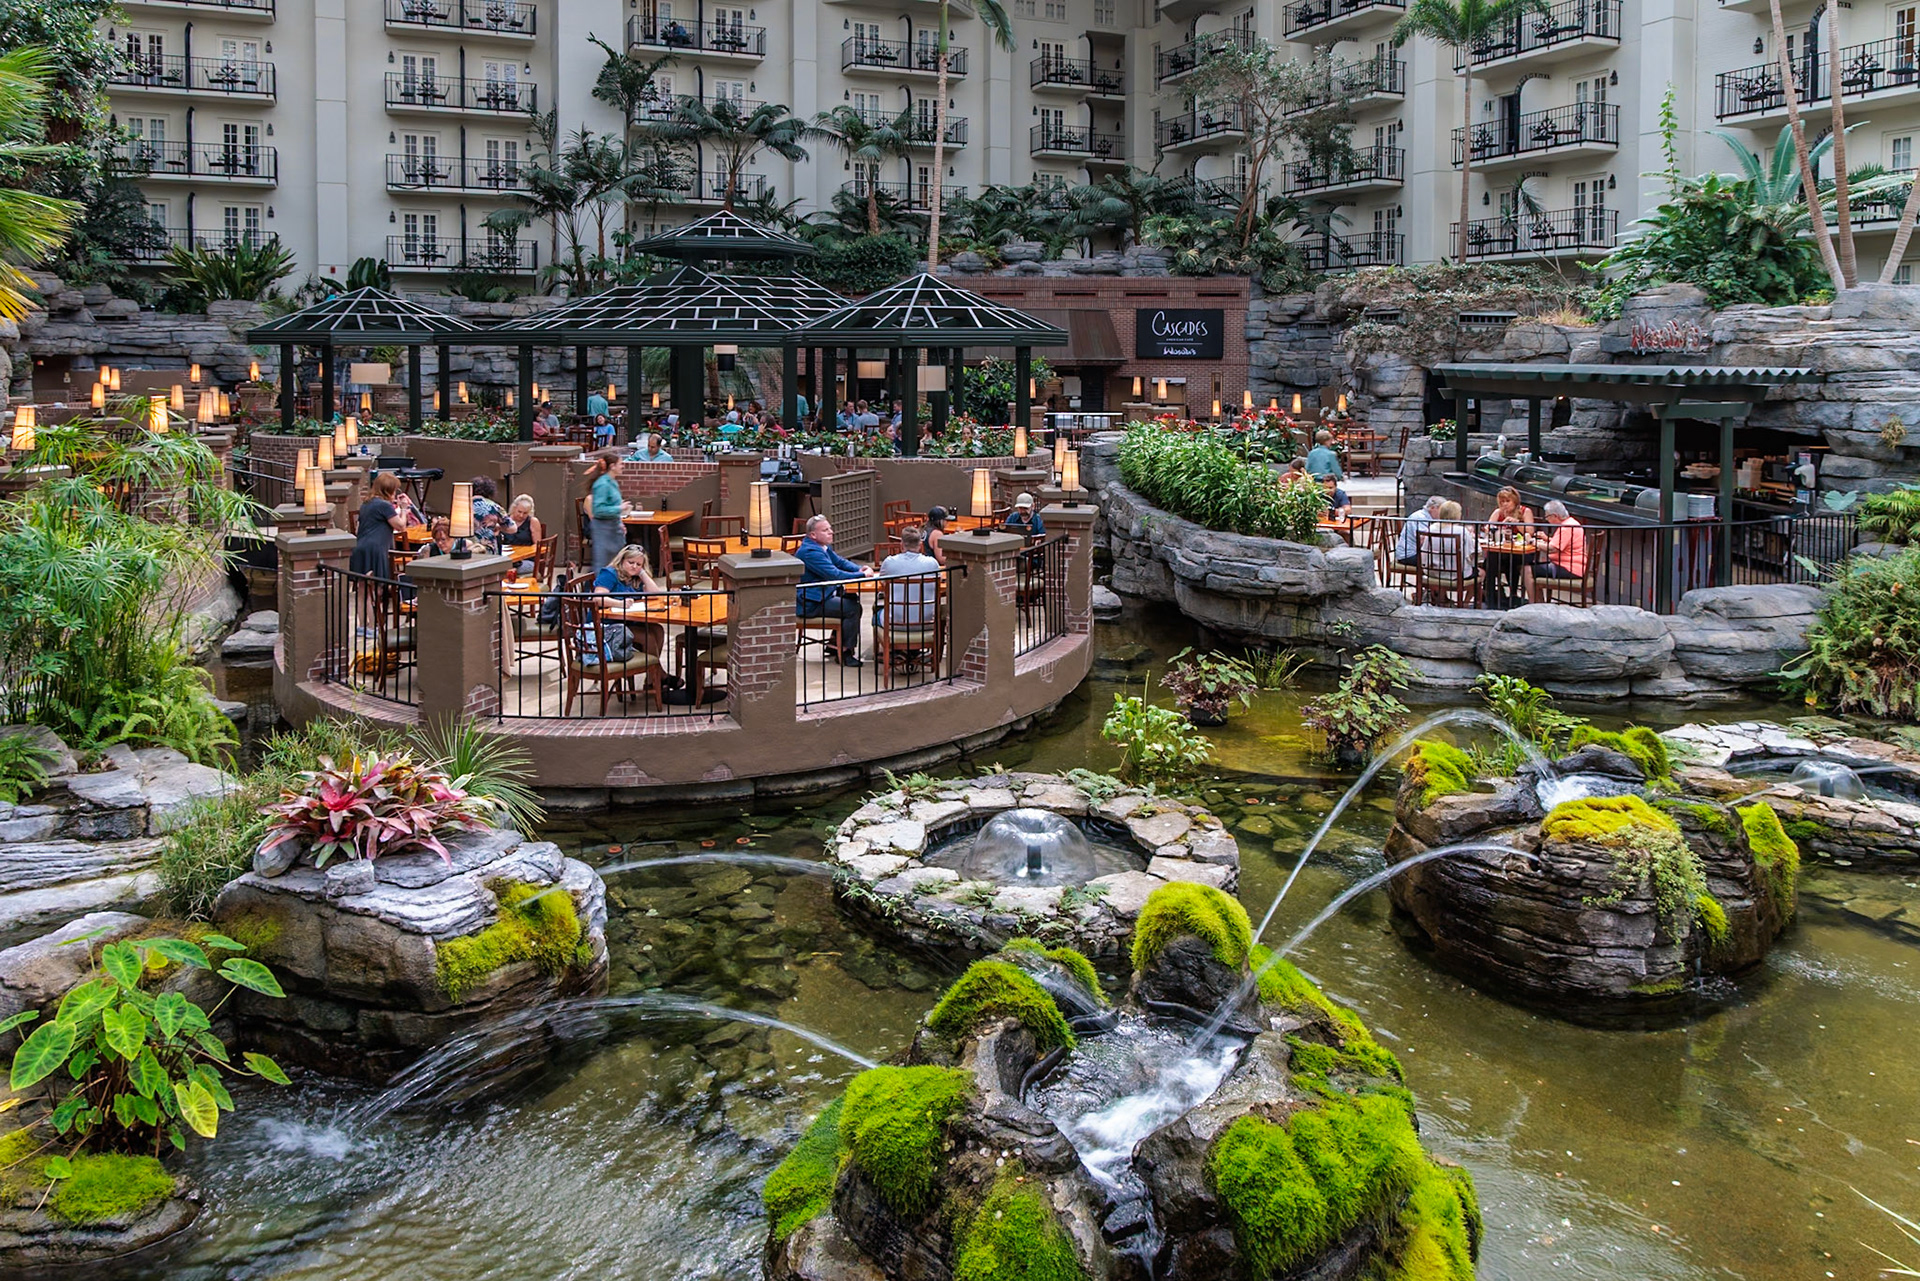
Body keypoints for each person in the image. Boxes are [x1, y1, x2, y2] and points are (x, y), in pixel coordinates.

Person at [794, 514, 867, 666]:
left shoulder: (821, 547)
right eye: (826, 530)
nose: (831, 532)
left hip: (822, 595)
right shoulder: (810, 552)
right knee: (853, 608)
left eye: (830, 528)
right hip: (811, 603)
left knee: (851, 598)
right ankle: (846, 653)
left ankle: (834, 644)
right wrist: (862, 575)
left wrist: (860, 569)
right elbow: (834, 574)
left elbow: (839, 562)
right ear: (813, 535)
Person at [1484, 486, 1537, 608]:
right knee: (1491, 560)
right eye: (1502, 502)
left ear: (1515, 501)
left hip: (1521, 552)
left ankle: (1513, 597)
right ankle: (1491, 598)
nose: (1504, 505)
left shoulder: (1525, 511)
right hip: (1502, 550)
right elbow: (1488, 528)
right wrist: (1495, 528)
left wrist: (1516, 523)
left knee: (1513, 561)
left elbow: (1530, 531)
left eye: (1507, 501)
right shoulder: (1498, 512)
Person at [350, 471, 408, 576]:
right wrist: (404, 509)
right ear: (388, 490)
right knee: (378, 587)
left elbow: (358, 529)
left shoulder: (367, 503)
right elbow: (401, 526)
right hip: (375, 550)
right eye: (394, 490)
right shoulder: (384, 505)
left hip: (361, 548)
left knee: (363, 585)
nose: (395, 493)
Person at [585, 453, 625, 570]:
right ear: (612, 466)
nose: (623, 466)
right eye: (621, 464)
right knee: (603, 563)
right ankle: (597, 586)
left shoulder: (612, 482)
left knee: (616, 562)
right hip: (603, 529)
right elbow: (598, 510)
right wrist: (619, 508)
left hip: (614, 527)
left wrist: (620, 522)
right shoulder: (602, 484)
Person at [1539, 499, 1588, 588]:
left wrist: (1533, 542)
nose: (1547, 520)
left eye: (1547, 517)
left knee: (1527, 570)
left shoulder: (1566, 528)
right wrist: (1547, 539)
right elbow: (1563, 543)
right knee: (1532, 567)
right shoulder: (1572, 522)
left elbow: (1552, 549)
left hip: (1569, 568)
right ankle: (1538, 600)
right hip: (1573, 566)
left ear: (1554, 516)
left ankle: (1535, 601)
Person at [1395, 495, 1445, 566]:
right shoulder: (1420, 517)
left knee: (1445, 559)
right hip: (1409, 555)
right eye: (1441, 510)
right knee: (1443, 561)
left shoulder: (1426, 517)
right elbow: (1424, 541)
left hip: (1416, 552)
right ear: (1433, 508)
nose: (1442, 514)